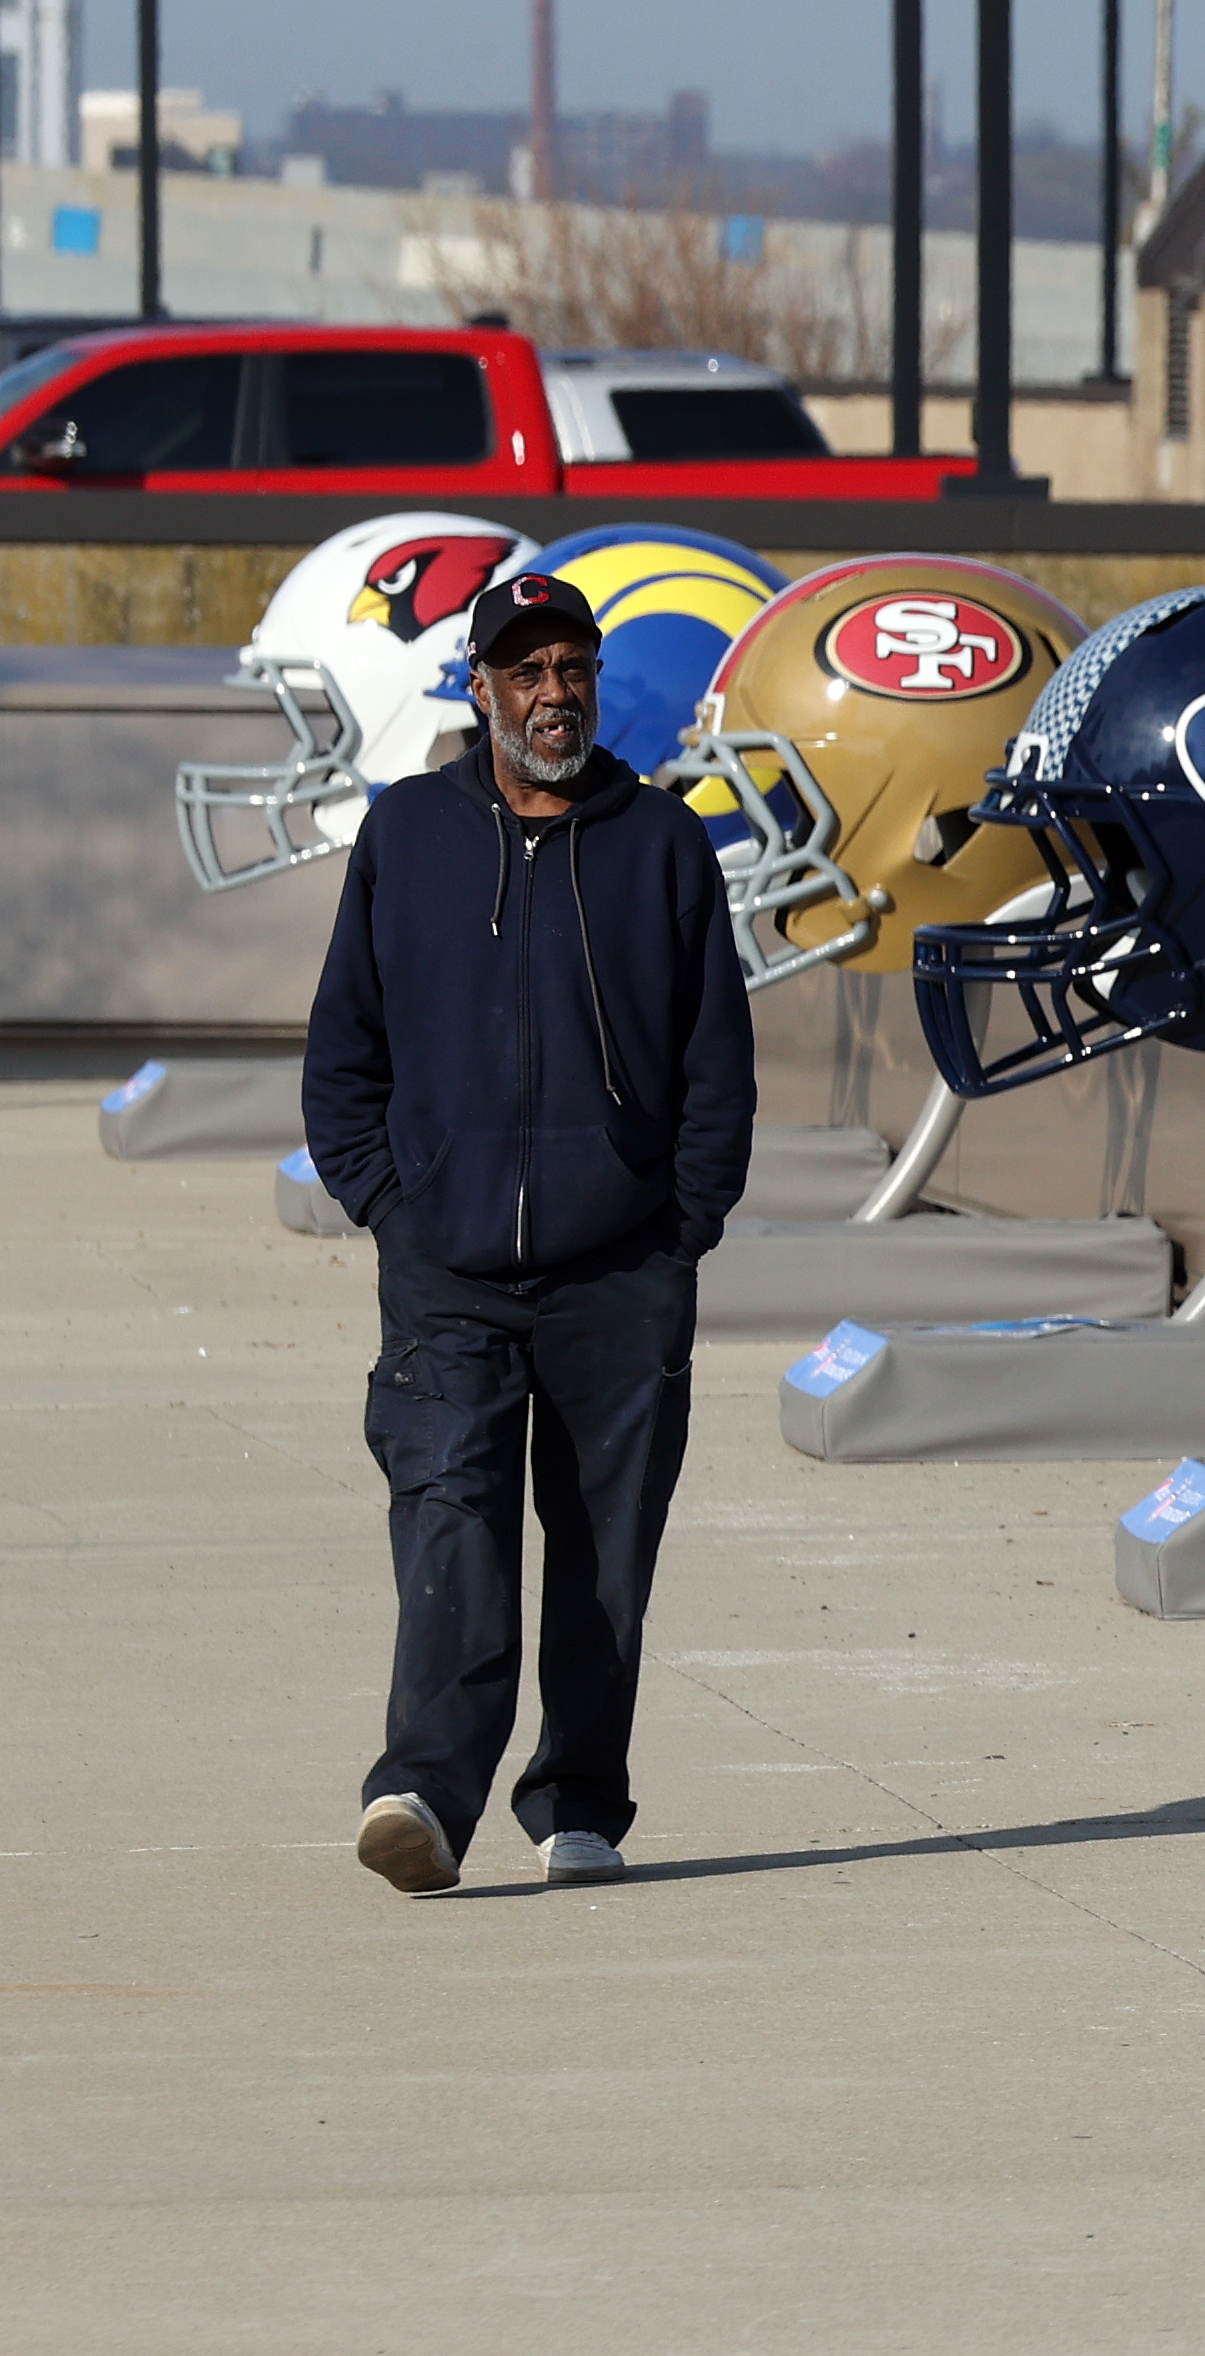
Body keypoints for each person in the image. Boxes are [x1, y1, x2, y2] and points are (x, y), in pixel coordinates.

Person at [301, 571, 753, 1895]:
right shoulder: (407, 838)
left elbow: (716, 1062)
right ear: (482, 689)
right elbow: (345, 1052)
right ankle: (423, 1793)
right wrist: (392, 1201)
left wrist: (680, 1226)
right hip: (447, 1265)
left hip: (621, 1269)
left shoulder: (663, 846)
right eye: (528, 670)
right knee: (452, 1514)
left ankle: (577, 1800)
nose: (554, 693)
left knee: (608, 1547)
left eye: (574, 668)